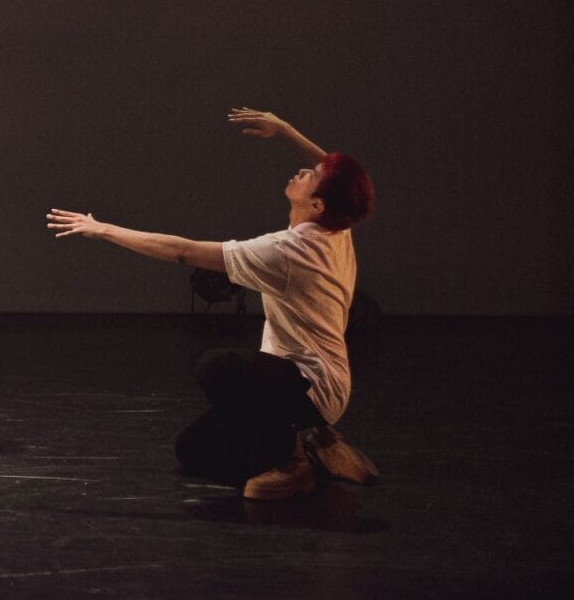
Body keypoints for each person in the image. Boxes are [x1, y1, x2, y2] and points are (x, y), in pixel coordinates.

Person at [47, 108, 378, 500]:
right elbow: (330, 168)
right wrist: (286, 130)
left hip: (310, 385)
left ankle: (293, 463)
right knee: (195, 450)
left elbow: (183, 252)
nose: (304, 170)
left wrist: (103, 229)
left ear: (319, 205)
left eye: (311, 177)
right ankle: (318, 446)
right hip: (309, 383)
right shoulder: (337, 227)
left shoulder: (288, 252)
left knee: (217, 367)